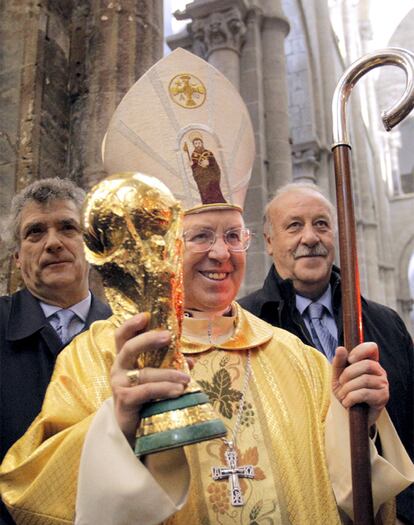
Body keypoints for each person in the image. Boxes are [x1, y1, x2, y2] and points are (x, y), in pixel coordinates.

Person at [1, 49, 413, 525]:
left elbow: (350, 495)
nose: (221, 253)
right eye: (199, 236)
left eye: (233, 236)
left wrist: (359, 419)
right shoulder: (97, 355)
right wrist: (116, 425)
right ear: (163, 247)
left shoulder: (297, 358)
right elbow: (31, 489)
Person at [239, 182, 414, 524]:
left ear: (337, 236)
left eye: (321, 224)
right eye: (294, 226)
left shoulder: (385, 322)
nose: (310, 237)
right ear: (269, 242)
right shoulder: (247, 326)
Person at [0, 178, 112, 524]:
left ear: (91, 244)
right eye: (35, 232)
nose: (53, 243)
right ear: (18, 258)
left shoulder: (128, 332)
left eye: (68, 228)